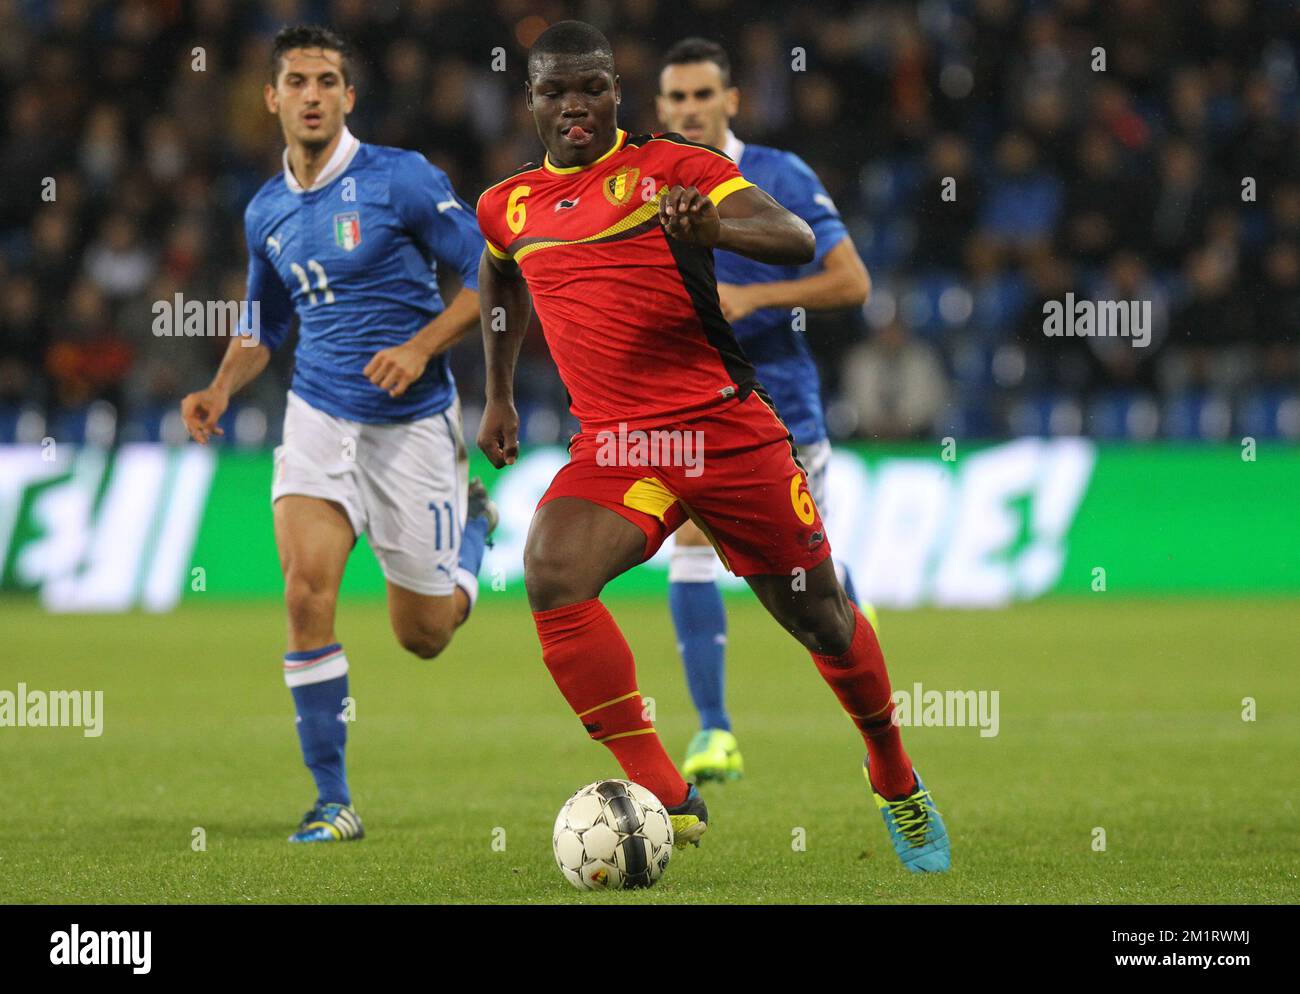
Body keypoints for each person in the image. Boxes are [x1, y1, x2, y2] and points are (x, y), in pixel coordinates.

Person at [474, 20, 948, 872]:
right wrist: (500, 393)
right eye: (556, 91)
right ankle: (665, 788)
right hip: (618, 448)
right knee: (551, 572)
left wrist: (712, 228)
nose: (575, 106)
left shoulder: (677, 170)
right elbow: (500, 271)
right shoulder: (508, 204)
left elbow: (794, 237)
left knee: (824, 620)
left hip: (725, 433)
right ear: (532, 100)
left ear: (618, 93)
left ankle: (894, 775)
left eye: (591, 88)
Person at [180, 25, 496, 844]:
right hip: (318, 414)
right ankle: (333, 801)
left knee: (423, 635)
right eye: (297, 81)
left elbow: (494, 271)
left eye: (327, 80)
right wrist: (218, 388)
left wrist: (422, 345)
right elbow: (265, 320)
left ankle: (473, 537)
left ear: (348, 96)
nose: (312, 94)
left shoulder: (403, 179)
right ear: (272, 97)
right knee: (305, 591)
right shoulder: (266, 210)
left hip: (413, 427)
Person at [655, 37, 872, 783]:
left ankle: (869, 702)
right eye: (677, 98)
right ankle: (714, 731)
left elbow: (851, 282)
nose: (690, 109)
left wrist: (758, 296)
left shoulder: (779, 175)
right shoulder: (643, 187)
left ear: (731, 101)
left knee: (813, 588)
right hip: (690, 411)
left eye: (703, 95)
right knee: (687, 546)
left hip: (783, 413)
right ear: (659, 108)